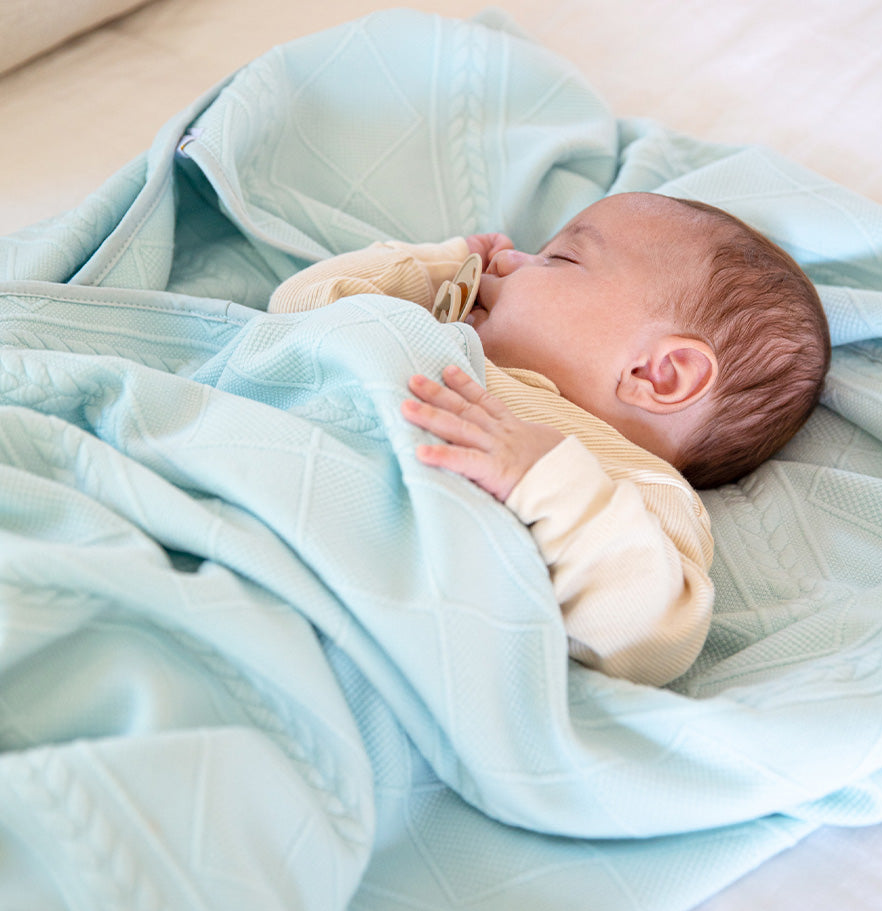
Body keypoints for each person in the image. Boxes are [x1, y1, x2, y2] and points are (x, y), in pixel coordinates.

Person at [268, 192, 831, 686]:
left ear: (657, 374)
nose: (506, 258)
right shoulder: (439, 341)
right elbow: (296, 310)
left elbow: (649, 637)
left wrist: (548, 481)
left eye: (560, 258)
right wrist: (438, 267)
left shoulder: (636, 487)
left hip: (356, 607)